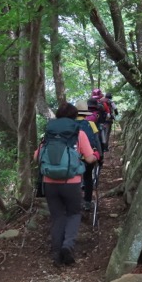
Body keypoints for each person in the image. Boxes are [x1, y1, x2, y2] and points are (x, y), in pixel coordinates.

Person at [35, 102, 97, 266]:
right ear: (74, 116)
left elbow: (37, 156)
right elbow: (90, 158)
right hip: (72, 182)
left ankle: (56, 252)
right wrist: (95, 155)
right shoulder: (79, 132)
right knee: (74, 213)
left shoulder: (48, 133)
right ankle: (67, 246)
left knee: (57, 216)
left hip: (49, 183)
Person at [75, 99, 102, 212]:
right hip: (89, 157)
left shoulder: (71, 125)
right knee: (87, 178)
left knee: (74, 178)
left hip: (74, 157)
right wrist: (100, 156)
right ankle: (87, 202)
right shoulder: (91, 124)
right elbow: (97, 141)